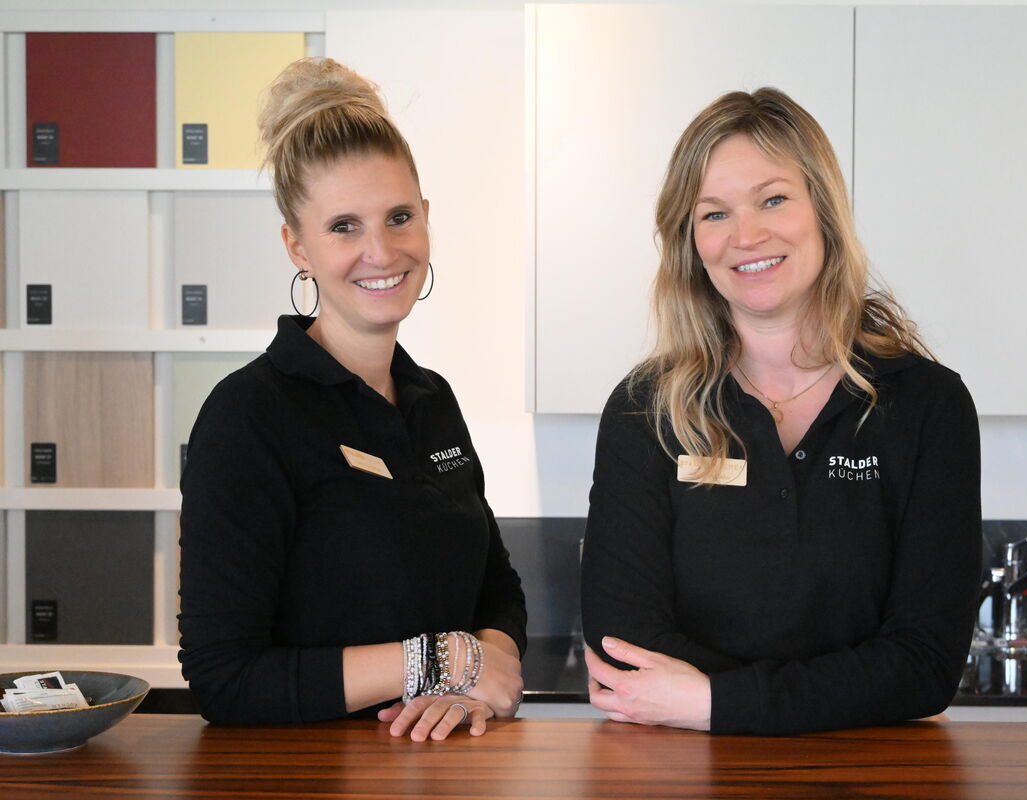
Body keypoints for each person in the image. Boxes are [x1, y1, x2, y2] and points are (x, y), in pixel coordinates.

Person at [580, 87, 981, 735]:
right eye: (714, 214)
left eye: (773, 200)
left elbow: (925, 665)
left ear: (823, 209)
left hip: (870, 772)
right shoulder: (645, 410)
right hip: (686, 772)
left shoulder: (927, 406)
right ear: (690, 241)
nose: (746, 236)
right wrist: (837, 690)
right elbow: (624, 647)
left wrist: (713, 702)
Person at [178, 58, 526, 741]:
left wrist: (485, 681)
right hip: (307, 778)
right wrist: (441, 662)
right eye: (344, 226)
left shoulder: (433, 400)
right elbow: (225, 679)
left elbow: (497, 589)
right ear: (297, 246)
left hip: (443, 769)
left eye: (399, 217)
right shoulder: (248, 417)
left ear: (426, 219)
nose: (381, 251)